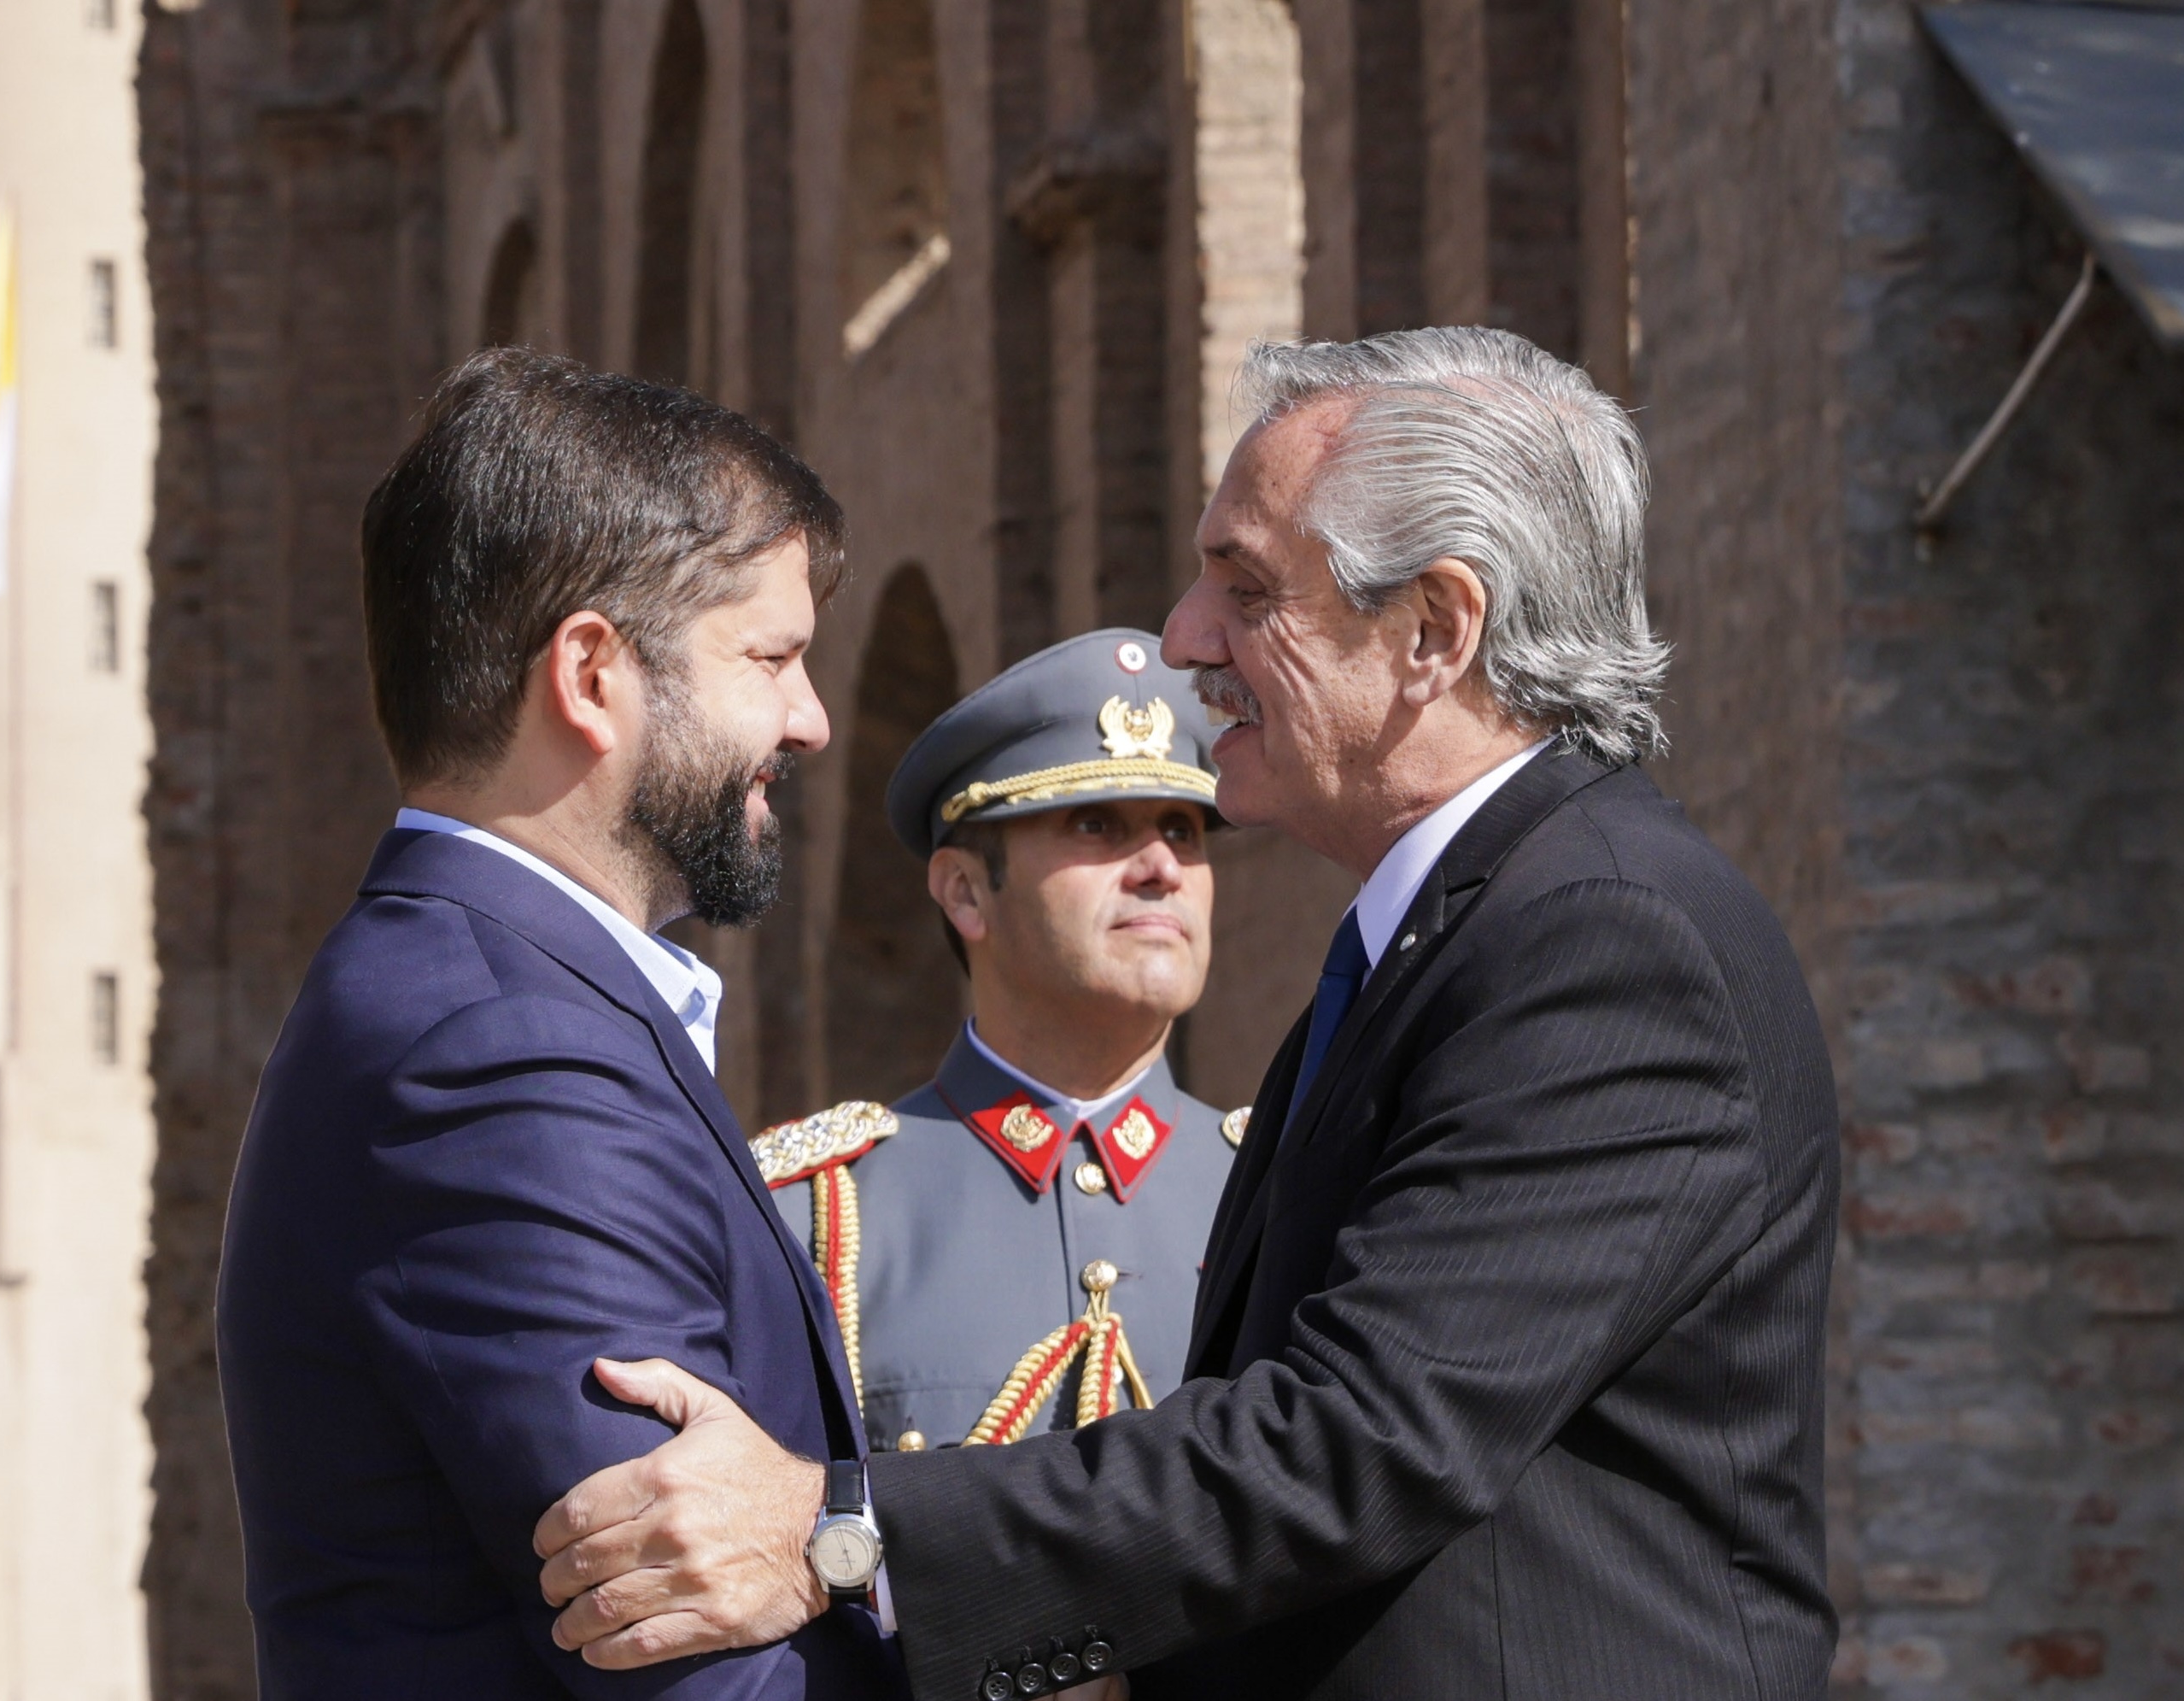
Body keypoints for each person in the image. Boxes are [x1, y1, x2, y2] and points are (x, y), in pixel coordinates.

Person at [528, 326, 1841, 1701]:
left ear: (1434, 632)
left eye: (1245, 587)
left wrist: (836, 1536)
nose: (1182, 638)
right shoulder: (1467, 933)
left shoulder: (1600, 938)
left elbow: (1357, 1440)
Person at [216, 349, 894, 1699]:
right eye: (768, 657)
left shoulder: (484, 996)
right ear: (590, 672)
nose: (810, 720)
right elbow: (697, 1666)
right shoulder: (502, 1055)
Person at [753, 630, 1243, 1462]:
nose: (1160, 863)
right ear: (965, 890)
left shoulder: (1279, 1181)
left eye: (1182, 828)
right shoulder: (817, 1217)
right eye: (1096, 823)